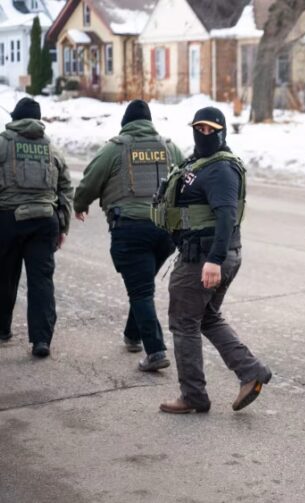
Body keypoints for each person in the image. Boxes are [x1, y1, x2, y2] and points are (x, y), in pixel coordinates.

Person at [152, 106, 271, 414]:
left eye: (211, 130)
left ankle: (193, 395)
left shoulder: (220, 169)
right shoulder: (201, 163)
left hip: (205, 258)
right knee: (206, 318)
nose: (204, 135)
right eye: (199, 129)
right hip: (207, 255)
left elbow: (227, 215)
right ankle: (251, 371)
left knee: (184, 322)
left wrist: (214, 260)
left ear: (222, 132)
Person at [73, 100, 185, 371]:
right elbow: (185, 182)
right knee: (143, 285)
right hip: (165, 232)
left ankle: (156, 352)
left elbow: (90, 181)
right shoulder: (170, 147)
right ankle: (133, 335)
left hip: (131, 229)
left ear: (126, 123)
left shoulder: (115, 148)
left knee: (141, 290)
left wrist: (79, 205)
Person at [0, 97, 73, 357]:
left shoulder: (3, 143)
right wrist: (63, 225)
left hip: (8, 220)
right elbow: (65, 187)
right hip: (45, 221)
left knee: (5, 276)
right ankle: (41, 340)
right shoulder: (51, 148)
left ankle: (3, 329)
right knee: (41, 281)